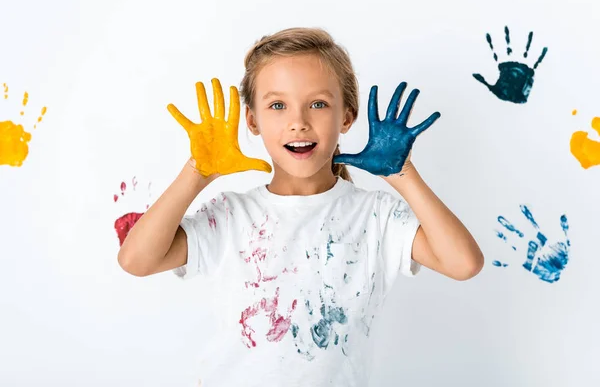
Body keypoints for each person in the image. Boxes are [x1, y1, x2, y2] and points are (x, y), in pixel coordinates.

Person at [118, 27, 484, 387]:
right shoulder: (230, 215)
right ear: (252, 120)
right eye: (277, 105)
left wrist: (403, 175)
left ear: (346, 117)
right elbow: (137, 260)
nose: (298, 122)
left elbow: (463, 263)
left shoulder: (375, 217)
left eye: (318, 104)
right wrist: (196, 173)